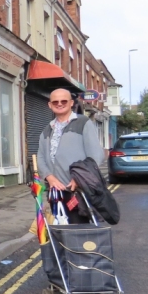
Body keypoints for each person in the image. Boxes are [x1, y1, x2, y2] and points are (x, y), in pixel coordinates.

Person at [37, 88, 105, 223]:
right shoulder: (47, 129)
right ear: (50, 105)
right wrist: (49, 178)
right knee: (60, 231)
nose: (59, 104)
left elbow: (96, 155)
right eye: (55, 102)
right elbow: (40, 157)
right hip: (55, 191)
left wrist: (79, 179)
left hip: (77, 190)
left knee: (78, 231)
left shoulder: (83, 122)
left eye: (63, 101)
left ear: (71, 103)